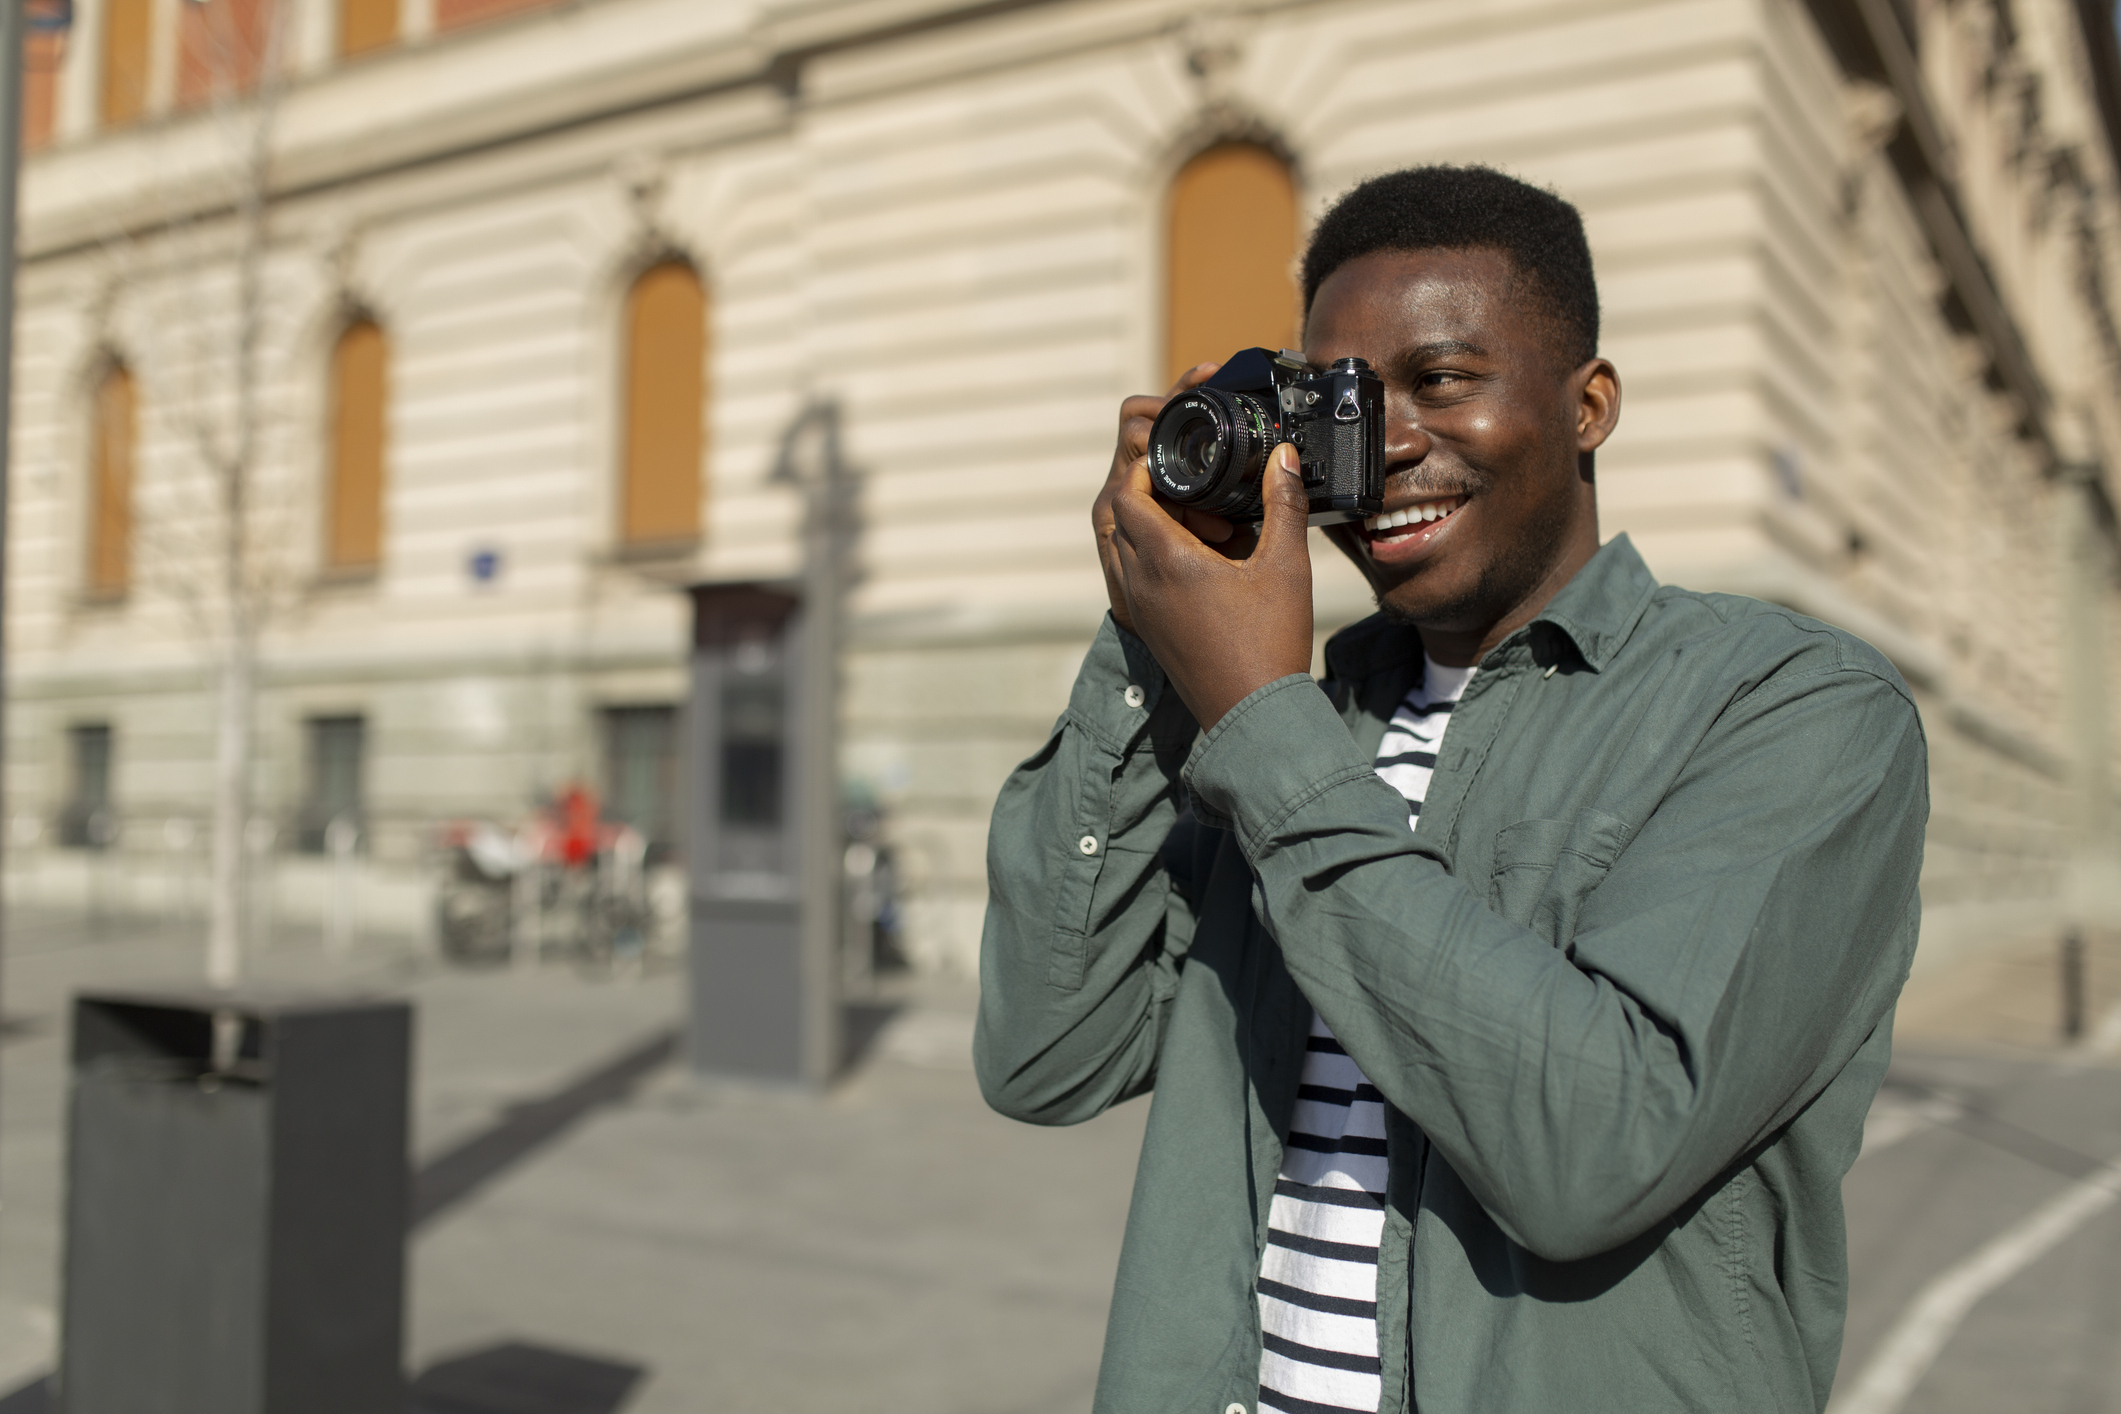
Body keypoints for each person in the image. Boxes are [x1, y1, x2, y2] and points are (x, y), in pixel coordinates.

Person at [974, 164, 1927, 1414]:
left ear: (1589, 406)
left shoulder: (1792, 710)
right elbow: (1045, 1057)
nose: (1390, 444)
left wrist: (1264, 726)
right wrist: (1148, 637)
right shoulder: (1294, 726)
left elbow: (1592, 1149)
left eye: (1443, 382)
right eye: (1344, 404)